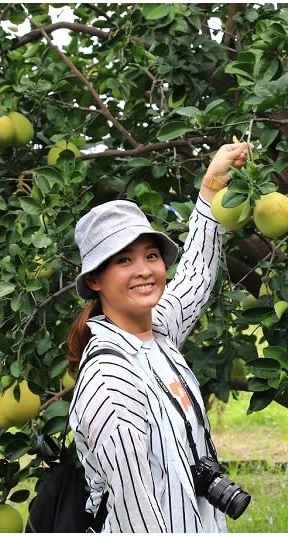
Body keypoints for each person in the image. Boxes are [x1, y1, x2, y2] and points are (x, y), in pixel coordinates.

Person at [66, 143, 250, 533]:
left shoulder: (157, 334)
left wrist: (211, 189)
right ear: (95, 281)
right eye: (123, 260)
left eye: (151, 256)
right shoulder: (111, 383)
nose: (144, 270)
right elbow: (137, 517)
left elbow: (196, 277)